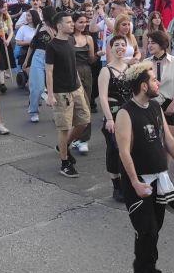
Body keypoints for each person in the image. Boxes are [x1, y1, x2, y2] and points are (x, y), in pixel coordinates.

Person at [115, 61, 174, 273]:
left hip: (159, 179)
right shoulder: (125, 113)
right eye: (154, 80)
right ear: (143, 86)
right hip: (138, 182)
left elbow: (168, 140)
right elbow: (124, 151)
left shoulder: (156, 107)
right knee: (145, 229)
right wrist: (135, 182)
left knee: (156, 228)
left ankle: (151, 268)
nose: (158, 83)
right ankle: (139, 272)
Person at [46, 12, 90, 178]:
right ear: (59, 26)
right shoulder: (52, 46)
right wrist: (50, 95)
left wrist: (80, 85)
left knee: (84, 121)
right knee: (64, 128)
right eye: (69, 22)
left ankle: (63, 145)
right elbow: (49, 71)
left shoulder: (71, 40)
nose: (72, 25)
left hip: (76, 89)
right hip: (61, 92)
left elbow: (73, 66)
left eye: (72, 22)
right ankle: (64, 163)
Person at [98, 34, 132, 201]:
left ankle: (129, 182)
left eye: (123, 45)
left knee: (128, 149)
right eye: (116, 45)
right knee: (114, 150)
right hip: (113, 113)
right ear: (110, 48)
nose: (120, 48)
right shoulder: (106, 70)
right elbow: (103, 97)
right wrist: (109, 118)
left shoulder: (129, 68)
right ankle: (116, 187)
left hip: (128, 115)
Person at [145, 30, 174, 140]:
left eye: (153, 43)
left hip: (171, 105)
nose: (149, 45)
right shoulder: (145, 63)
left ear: (162, 44)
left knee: (169, 142)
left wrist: (173, 104)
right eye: (149, 42)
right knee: (153, 141)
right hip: (151, 105)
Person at [68, 12, 96, 153]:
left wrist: (97, 55)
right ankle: (75, 137)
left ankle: (84, 139)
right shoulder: (68, 38)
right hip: (73, 73)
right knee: (76, 106)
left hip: (86, 72)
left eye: (85, 22)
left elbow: (91, 59)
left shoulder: (89, 38)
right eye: (80, 22)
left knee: (86, 105)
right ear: (73, 23)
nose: (83, 24)